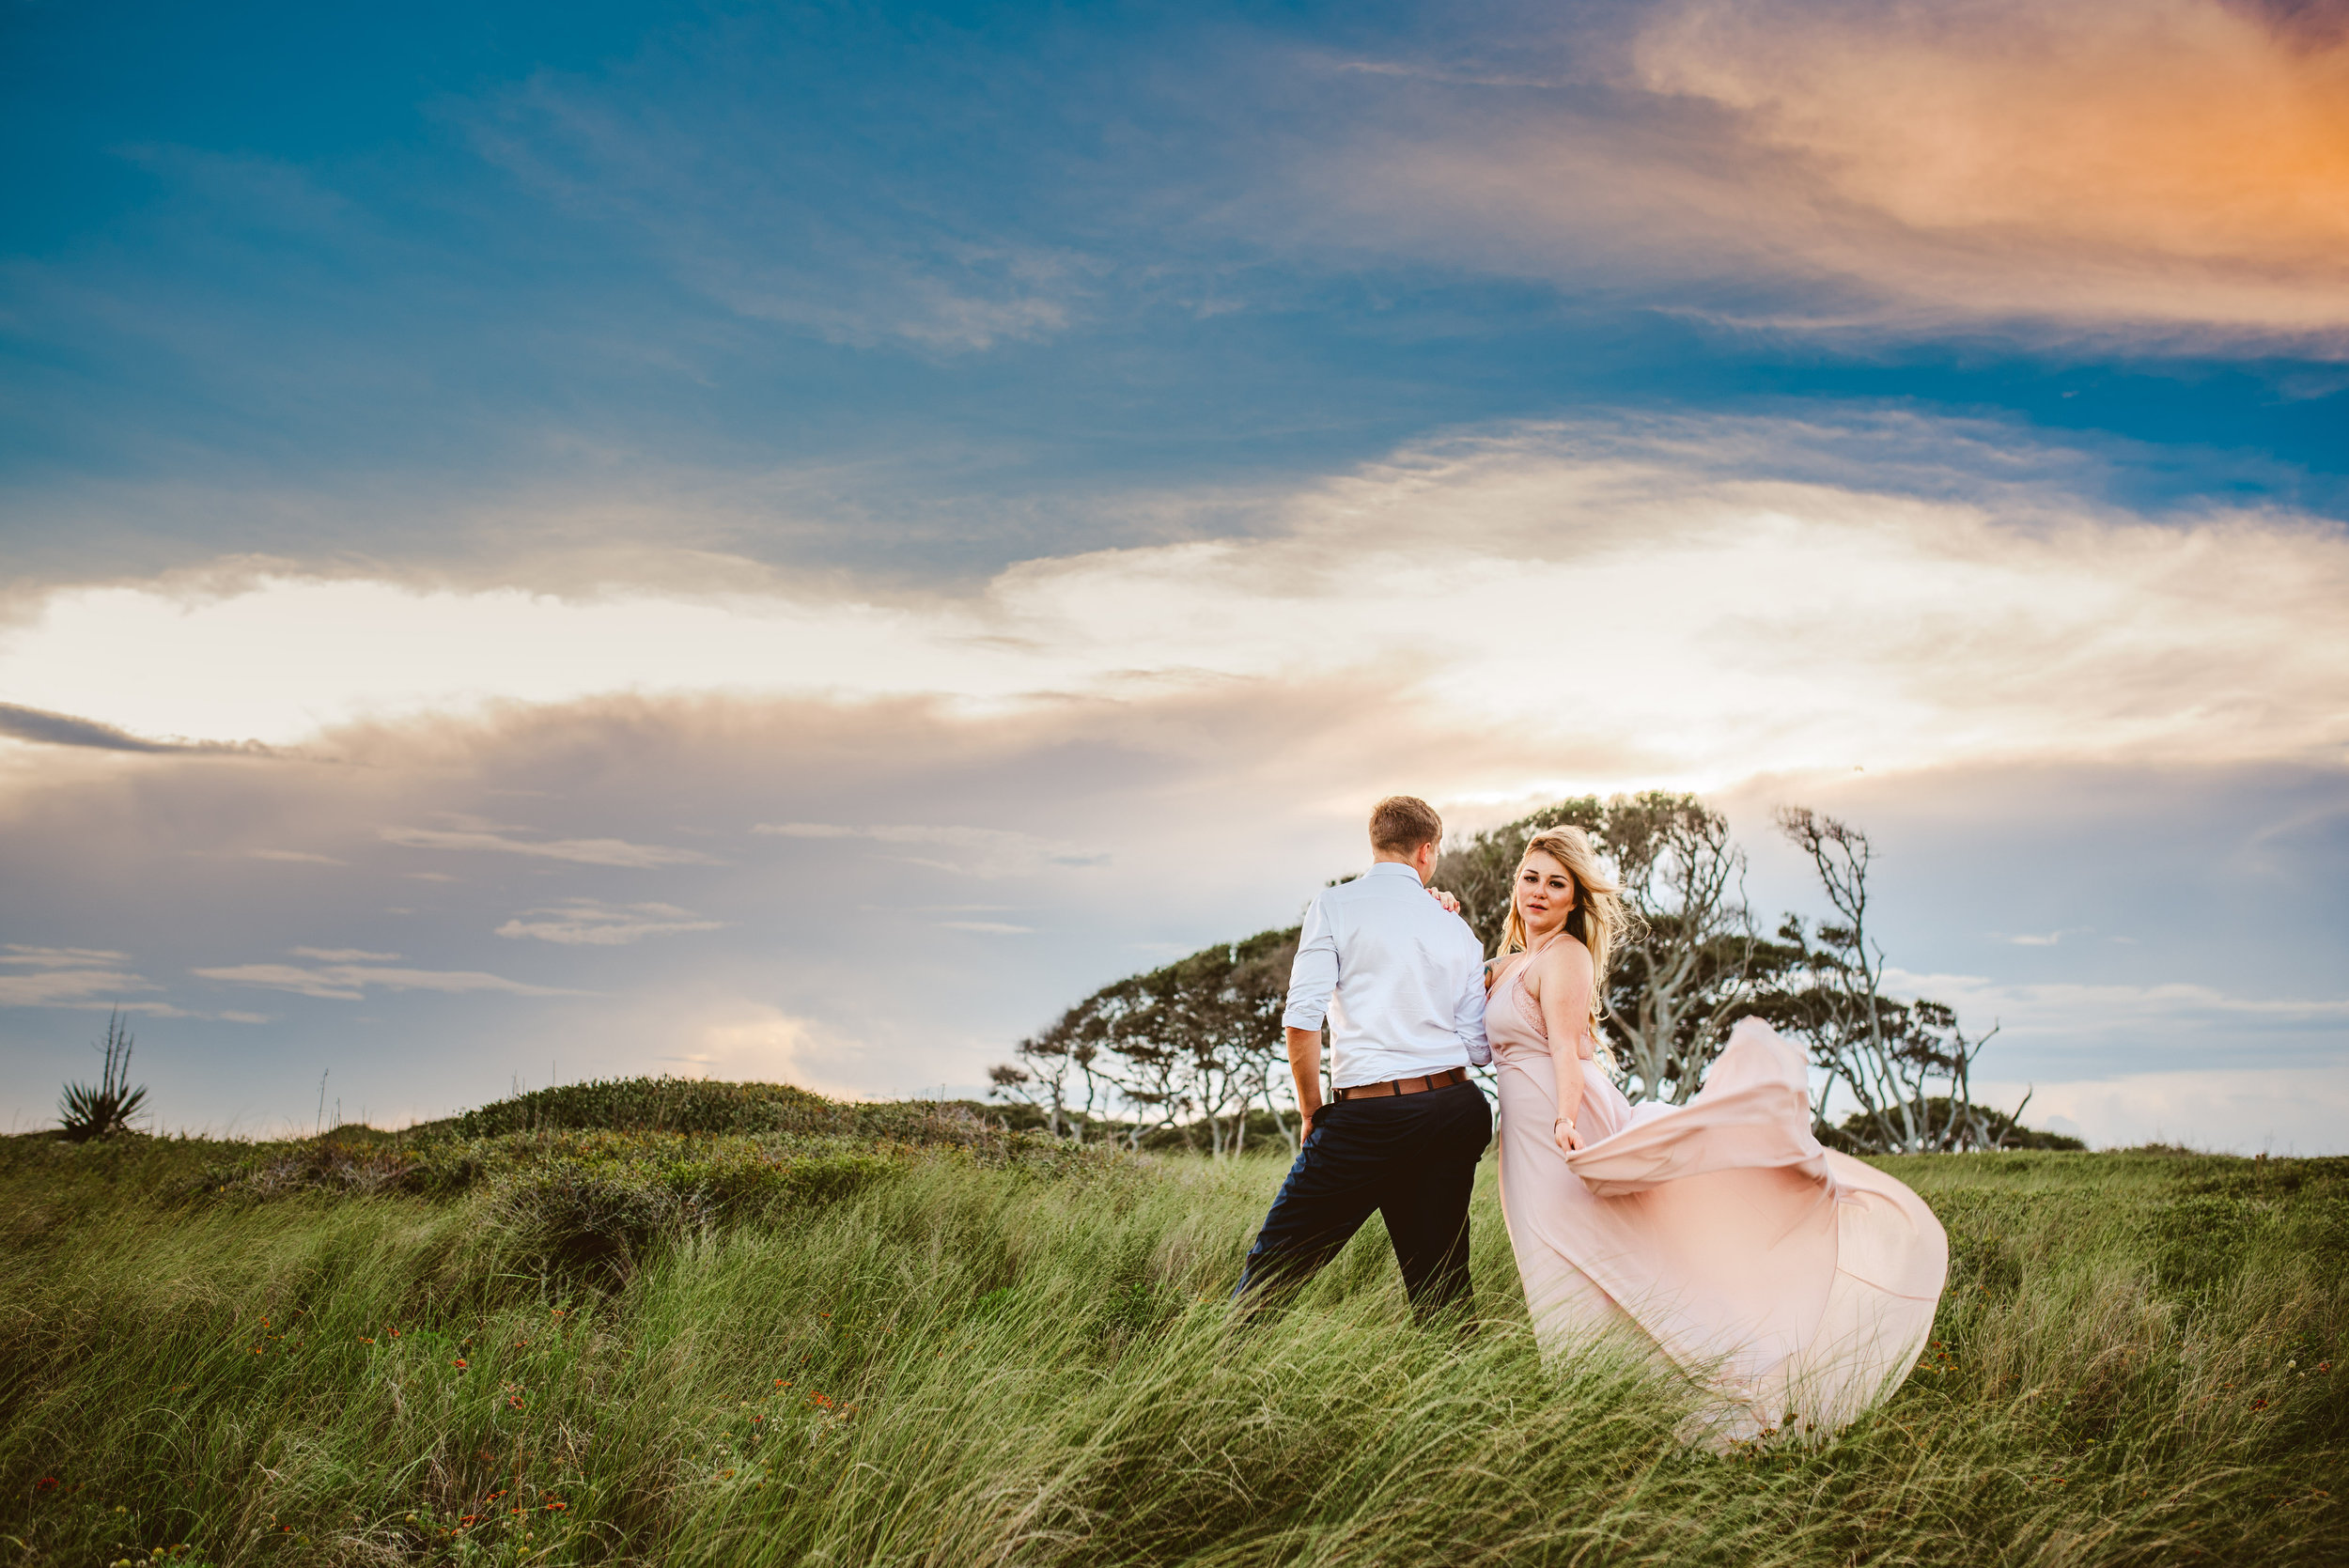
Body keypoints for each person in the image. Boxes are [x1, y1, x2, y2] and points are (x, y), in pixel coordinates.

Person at [1484, 825, 1948, 1445]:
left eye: (1556, 883)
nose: (1539, 891)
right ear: (1516, 884)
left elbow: (1568, 1049)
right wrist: (1441, 908)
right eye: (1531, 877)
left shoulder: (1565, 955)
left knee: (1597, 1262)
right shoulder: (1509, 962)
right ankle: (1599, 1410)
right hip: (1524, 1148)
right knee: (1558, 1267)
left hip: (1560, 1130)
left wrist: (1566, 1119)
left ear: (1576, 899)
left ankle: (1720, 1393)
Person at [1230, 795, 1493, 1326]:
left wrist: (1312, 1111)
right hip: (1453, 1109)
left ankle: (1202, 1390)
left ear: (1376, 845)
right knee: (1441, 1285)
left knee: (1273, 1271)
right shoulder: (1456, 928)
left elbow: (1303, 1018)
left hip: (1369, 1118)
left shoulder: (1335, 905)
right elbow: (1478, 1047)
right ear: (1427, 851)